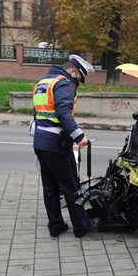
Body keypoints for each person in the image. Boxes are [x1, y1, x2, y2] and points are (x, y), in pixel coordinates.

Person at [33, 54, 97, 238]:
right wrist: (79, 136)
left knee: (50, 187)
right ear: (72, 71)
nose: (77, 83)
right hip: (56, 144)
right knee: (71, 187)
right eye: (78, 78)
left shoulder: (43, 82)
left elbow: (39, 113)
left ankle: (55, 225)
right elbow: (63, 112)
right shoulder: (63, 83)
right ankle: (81, 227)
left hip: (40, 141)